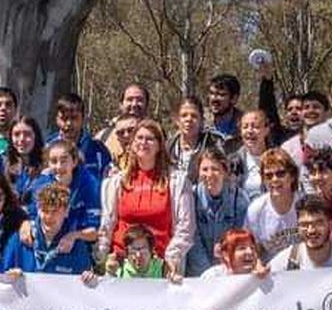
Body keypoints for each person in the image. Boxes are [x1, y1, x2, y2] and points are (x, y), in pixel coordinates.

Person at [99, 120, 195, 276]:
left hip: (161, 265)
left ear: (159, 146)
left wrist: (172, 258)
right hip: (122, 264)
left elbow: (186, 227)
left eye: (150, 139)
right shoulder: (117, 181)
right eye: (139, 138)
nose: (143, 142)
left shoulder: (177, 181)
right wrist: (102, 257)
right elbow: (107, 222)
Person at [2, 183, 95, 279]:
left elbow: (83, 287)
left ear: (66, 211)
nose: (49, 217)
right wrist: (11, 275)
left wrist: (89, 278)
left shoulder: (77, 247)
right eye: (45, 211)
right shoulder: (19, 240)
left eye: (55, 211)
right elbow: (2, 276)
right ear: (38, 209)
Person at [188, 147, 250, 277]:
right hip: (198, 272)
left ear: (225, 172)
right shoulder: (191, 197)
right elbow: (193, 240)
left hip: (229, 269)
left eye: (215, 169)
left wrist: (223, 270)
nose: (209, 174)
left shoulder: (239, 199)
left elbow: (239, 238)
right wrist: (207, 273)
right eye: (205, 169)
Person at [266, 197, 332, 273]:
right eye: (304, 225)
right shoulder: (287, 262)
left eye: (318, 223)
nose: (311, 230)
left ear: (331, 223)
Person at [36, 138, 102, 249]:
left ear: (74, 162)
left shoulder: (89, 183)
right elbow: (32, 217)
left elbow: (96, 231)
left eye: (63, 161)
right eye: (53, 161)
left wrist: (74, 235)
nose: (58, 167)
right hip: (48, 242)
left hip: (81, 244)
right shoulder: (42, 183)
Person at [245, 147, 301, 258]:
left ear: (293, 176)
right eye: (268, 176)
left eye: (280, 173)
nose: (274, 179)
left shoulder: (306, 204)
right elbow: (253, 251)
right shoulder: (255, 210)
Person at [49, 93, 114, 182]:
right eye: (64, 118)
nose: (69, 123)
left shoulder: (98, 150)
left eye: (74, 118)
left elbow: (109, 182)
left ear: (83, 118)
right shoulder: (48, 147)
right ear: (57, 119)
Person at [168, 95, 225, 187]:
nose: (189, 119)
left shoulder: (213, 146)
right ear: (177, 120)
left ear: (201, 121)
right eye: (184, 115)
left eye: (194, 116)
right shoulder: (168, 148)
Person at [100, 82, 150, 162]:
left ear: (147, 104)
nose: (134, 104)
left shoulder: (157, 135)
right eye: (129, 99)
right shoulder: (104, 137)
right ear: (121, 104)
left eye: (139, 100)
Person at [228, 109, 272, 199]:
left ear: (266, 130)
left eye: (255, 126)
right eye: (245, 127)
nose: (250, 131)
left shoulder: (277, 159)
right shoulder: (233, 161)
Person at [6, 116, 47, 202]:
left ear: (36, 136)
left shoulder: (47, 166)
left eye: (27, 134)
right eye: (16, 134)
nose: (21, 139)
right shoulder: (5, 166)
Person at [205, 73, 244, 142]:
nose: (214, 99)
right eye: (211, 93)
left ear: (234, 99)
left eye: (221, 95)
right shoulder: (200, 123)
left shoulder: (245, 126)